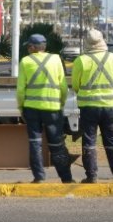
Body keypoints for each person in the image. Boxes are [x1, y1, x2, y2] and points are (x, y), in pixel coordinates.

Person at [71, 29, 113, 184]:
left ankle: (92, 175)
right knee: (112, 140)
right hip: (110, 106)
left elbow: (76, 85)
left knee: (89, 141)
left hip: (88, 106)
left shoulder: (81, 60)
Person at [16, 33, 74, 183]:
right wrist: (61, 103)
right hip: (53, 109)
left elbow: (21, 89)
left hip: (32, 108)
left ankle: (39, 177)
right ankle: (66, 178)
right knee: (57, 145)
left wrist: (21, 107)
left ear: (33, 47)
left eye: (29, 46)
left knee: (35, 143)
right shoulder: (56, 60)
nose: (28, 49)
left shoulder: (25, 62)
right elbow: (63, 86)